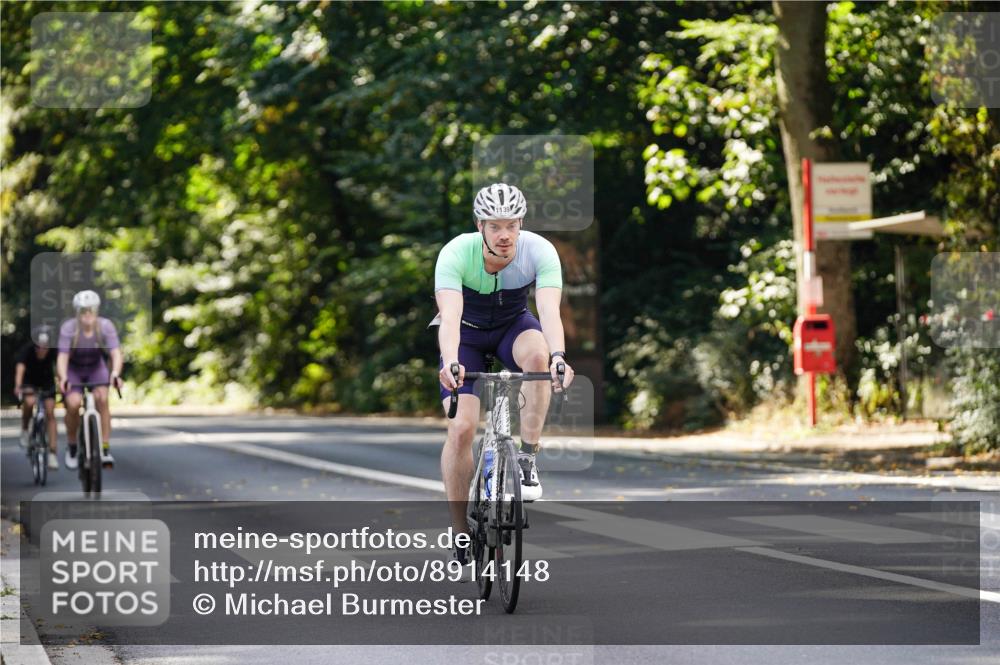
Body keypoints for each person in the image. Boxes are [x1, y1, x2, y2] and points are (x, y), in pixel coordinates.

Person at [432, 182, 576, 564]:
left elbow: (549, 312)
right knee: (462, 429)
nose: (504, 235)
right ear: (479, 226)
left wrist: (559, 356)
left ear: (521, 223)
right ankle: (460, 531)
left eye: (511, 225)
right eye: (495, 226)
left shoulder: (539, 251)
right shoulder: (455, 253)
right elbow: (450, 318)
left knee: (539, 357)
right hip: (466, 336)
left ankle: (527, 457)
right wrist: (450, 362)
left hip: (513, 327)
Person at [57, 290, 123, 469]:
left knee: (102, 399)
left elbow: (116, 353)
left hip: (96, 368)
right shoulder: (69, 328)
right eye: (83, 311)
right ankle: (72, 446)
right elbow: (62, 357)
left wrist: (115, 373)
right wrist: (63, 377)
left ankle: (105, 448)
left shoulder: (105, 326)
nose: (87, 314)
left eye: (91, 310)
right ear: (77, 312)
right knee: (73, 403)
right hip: (74, 369)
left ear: (97, 311)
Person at [13, 325, 60, 470]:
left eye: (45, 347)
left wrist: (62, 383)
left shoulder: (53, 351)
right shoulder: (27, 350)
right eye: (39, 346)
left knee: (50, 412)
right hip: (29, 382)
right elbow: (20, 367)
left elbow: (59, 367)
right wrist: (18, 385)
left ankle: (52, 453)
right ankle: (25, 430)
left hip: (47, 382)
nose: (42, 350)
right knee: (29, 402)